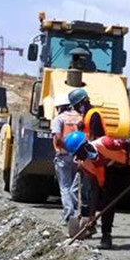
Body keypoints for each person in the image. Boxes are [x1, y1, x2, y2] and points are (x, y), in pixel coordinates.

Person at [65, 131, 130, 250]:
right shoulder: (86, 164)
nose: (77, 157)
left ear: (85, 146)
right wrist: (92, 216)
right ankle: (106, 237)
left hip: (129, 169)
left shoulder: (106, 143)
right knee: (107, 204)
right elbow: (95, 188)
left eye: (78, 153)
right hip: (110, 174)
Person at [69, 88, 107, 218]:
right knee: (91, 189)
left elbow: (95, 139)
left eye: (76, 106)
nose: (76, 109)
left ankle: (88, 217)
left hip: (94, 156)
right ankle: (89, 219)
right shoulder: (87, 115)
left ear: (83, 102)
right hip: (88, 155)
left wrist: (84, 159)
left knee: (91, 189)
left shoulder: (94, 114)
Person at [52, 94, 83, 223]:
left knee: (65, 187)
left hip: (64, 155)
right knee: (75, 187)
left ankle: (69, 214)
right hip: (78, 155)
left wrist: (62, 149)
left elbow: (58, 138)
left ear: (59, 107)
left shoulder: (59, 119)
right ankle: (77, 212)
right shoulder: (80, 118)